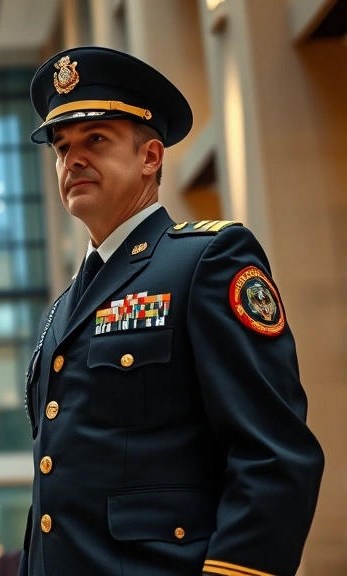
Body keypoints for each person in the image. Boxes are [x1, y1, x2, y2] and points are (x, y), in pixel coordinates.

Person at [17, 46, 324, 576]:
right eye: (62, 147)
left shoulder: (206, 260)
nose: (73, 160)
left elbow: (273, 456)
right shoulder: (64, 307)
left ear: (150, 157)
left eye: (96, 139)